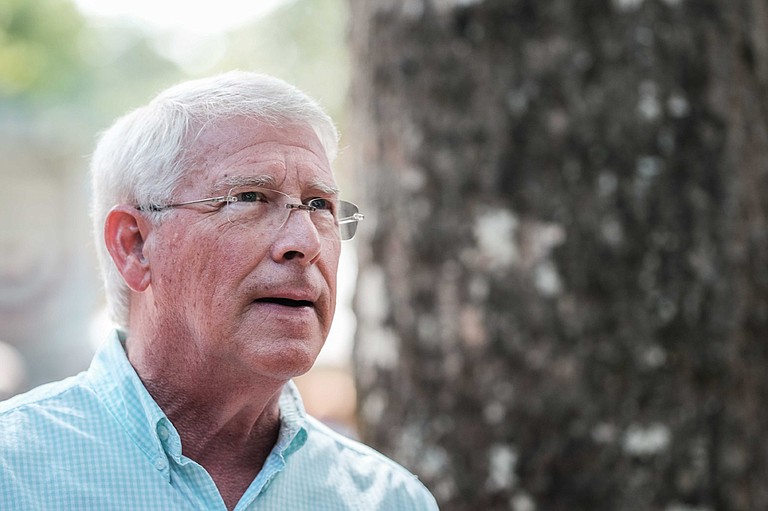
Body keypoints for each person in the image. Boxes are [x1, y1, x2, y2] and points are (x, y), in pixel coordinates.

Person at [0, 71, 439, 510]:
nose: (303, 243)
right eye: (249, 198)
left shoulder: (390, 500)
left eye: (319, 205)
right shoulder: (14, 473)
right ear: (134, 245)